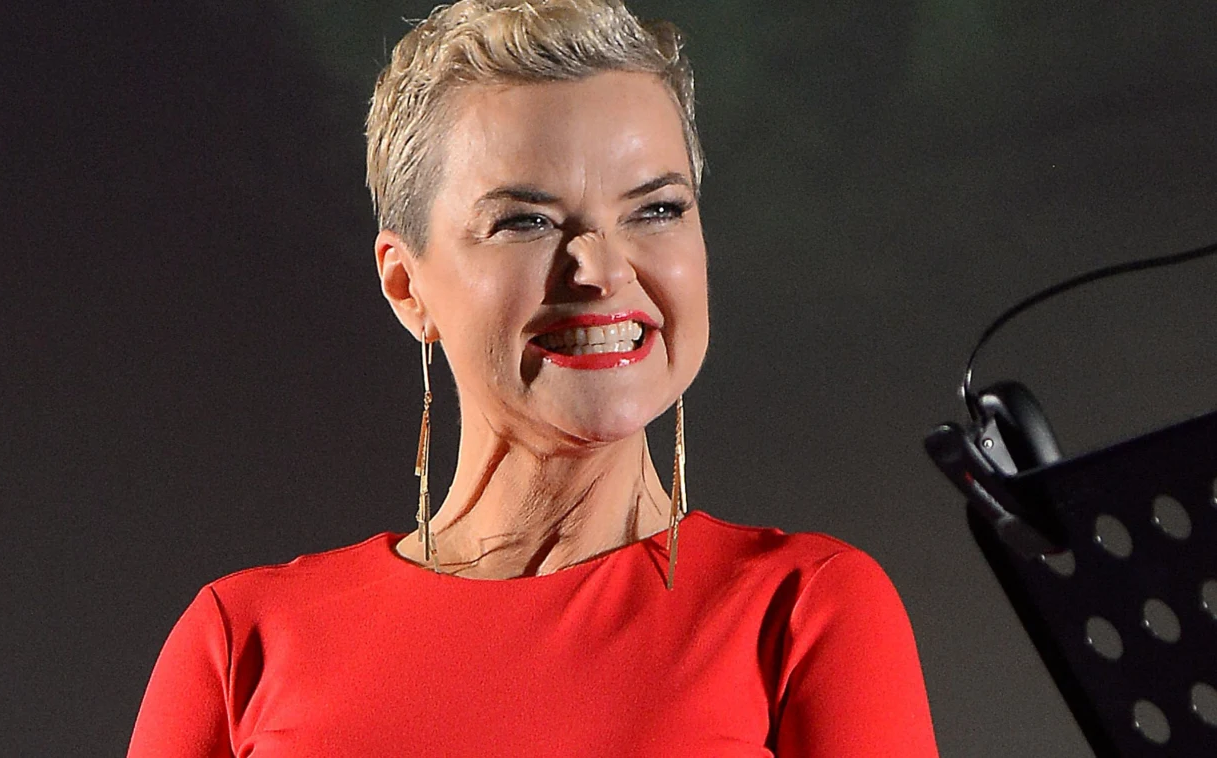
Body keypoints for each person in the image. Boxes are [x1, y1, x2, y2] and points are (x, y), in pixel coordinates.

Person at [127, 1, 939, 755]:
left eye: (656, 209)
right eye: (526, 222)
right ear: (407, 285)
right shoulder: (242, 641)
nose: (601, 270)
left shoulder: (804, 611)